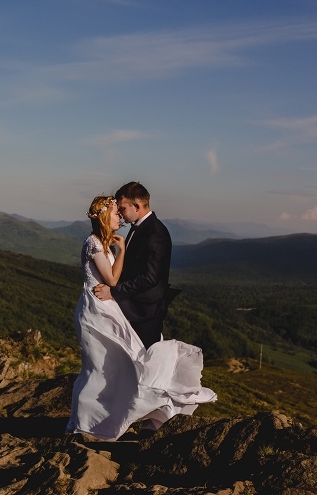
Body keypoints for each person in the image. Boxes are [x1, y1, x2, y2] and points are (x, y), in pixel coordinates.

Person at [65, 194, 216, 440]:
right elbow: (112, 280)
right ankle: (87, 424)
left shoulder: (105, 243)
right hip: (96, 311)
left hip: (107, 308)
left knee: (117, 366)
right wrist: (122, 250)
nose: (120, 218)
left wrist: (118, 251)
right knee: (98, 368)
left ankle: (106, 422)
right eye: (116, 213)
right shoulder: (93, 243)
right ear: (104, 216)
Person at [93, 181, 174, 349]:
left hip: (145, 311)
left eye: (122, 208)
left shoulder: (155, 233)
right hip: (133, 306)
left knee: (144, 359)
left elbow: (149, 278)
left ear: (136, 206)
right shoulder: (140, 227)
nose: (120, 214)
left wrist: (114, 292)